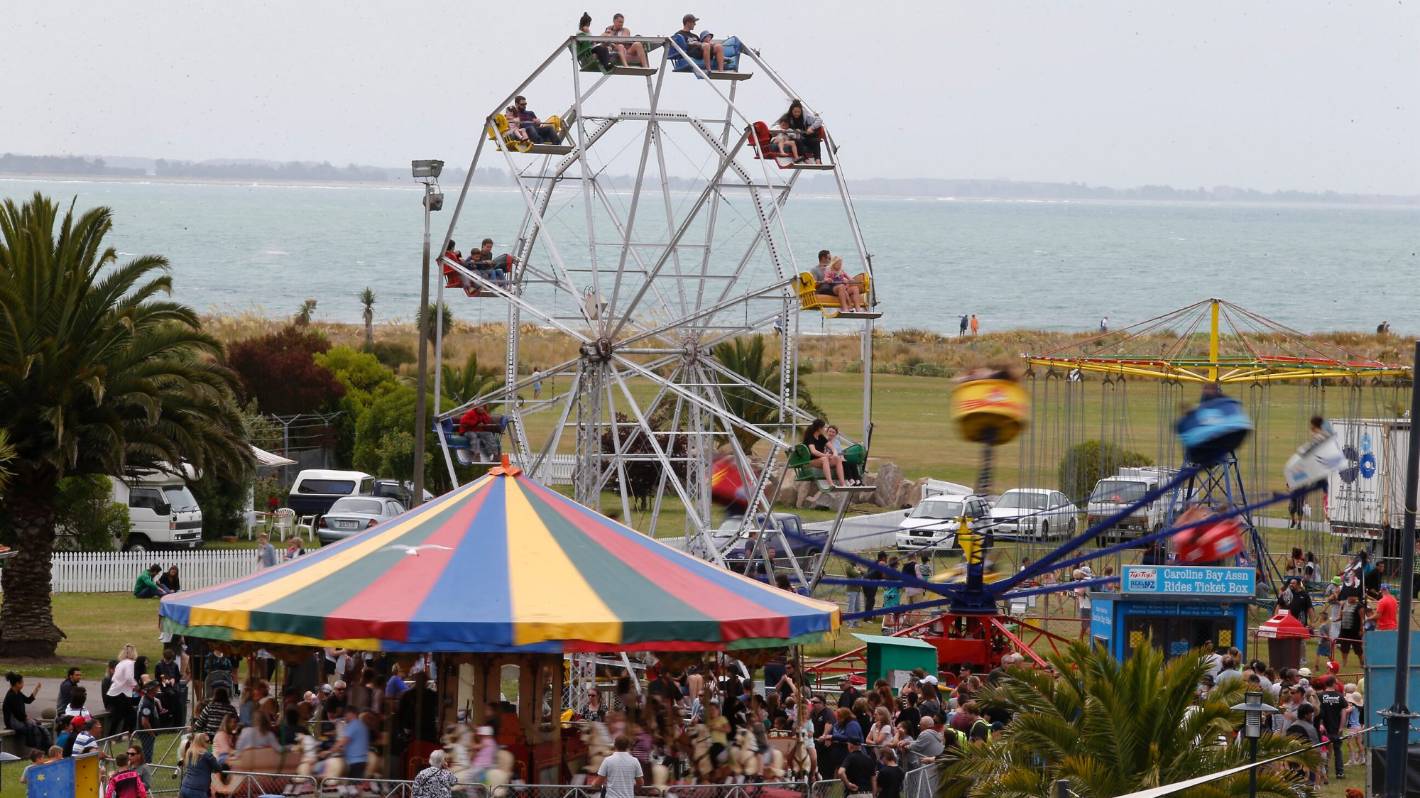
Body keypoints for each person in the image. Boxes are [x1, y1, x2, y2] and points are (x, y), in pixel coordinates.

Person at [4, 672, 51, 751]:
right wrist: (27, 719)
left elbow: (28, 700)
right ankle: (35, 748)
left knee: (39, 726)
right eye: (22, 682)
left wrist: (36, 690)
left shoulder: (18, 693)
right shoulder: (11, 696)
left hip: (20, 719)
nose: (23, 684)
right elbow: (17, 713)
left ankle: (46, 747)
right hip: (13, 722)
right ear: (16, 684)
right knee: (34, 728)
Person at [803, 418, 848, 488]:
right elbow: (813, 451)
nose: (825, 429)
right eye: (823, 427)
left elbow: (832, 447)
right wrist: (825, 455)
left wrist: (835, 454)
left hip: (821, 459)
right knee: (824, 459)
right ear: (819, 428)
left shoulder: (821, 437)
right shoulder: (810, 437)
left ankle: (843, 484)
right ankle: (831, 484)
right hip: (810, 461)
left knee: (838, 459)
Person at [180, 733, 227, 798]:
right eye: (207, 741)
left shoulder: (189, 752)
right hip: (198, 791)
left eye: (210, 740)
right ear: (201, 742)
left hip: (184, 787)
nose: (210, 742)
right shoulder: (207, 755)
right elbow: (218, 768)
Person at [778, 99, 824, 164]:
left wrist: (811, 128)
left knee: (815, 140)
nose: (797, 114)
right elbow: (782, 126)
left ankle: (818, 161)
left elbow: (819, 120)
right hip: (794, 137)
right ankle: (805, 158)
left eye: (798, 112)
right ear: (791, 111)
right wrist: (794, 131)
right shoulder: (787, 117)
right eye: (795, 112)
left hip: (804, 136)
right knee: (798, 141)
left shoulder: (805, 116)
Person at [1318, 678, 1347, 779]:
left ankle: (1324, 771)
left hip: (1323, 729)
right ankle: (1340, 772)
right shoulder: (1340, 696)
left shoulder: (1320, 696)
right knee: (1337, 750)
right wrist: (1341, 727)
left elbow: (1318, 713)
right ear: (1334, 684)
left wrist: (1320, 724)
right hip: (1336, 729)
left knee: (1324, 750)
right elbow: (1343, 714)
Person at [108, 645, 139, 734]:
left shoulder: (120, 663)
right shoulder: (131, 663)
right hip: (122, 693)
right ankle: (126, 734)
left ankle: (118, 735)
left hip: (114, 692)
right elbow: (129, 677)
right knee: (130, 715)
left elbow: (115, 678)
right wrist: (136, 686)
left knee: (119, 716)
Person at [333, 705, 371, 778]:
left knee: (353, 786)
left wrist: (330, 751)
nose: (345, 717)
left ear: (351, 713)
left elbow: (343, 742)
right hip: (362, 760)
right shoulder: (362, 725)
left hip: (355, 761)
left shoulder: (353, 725)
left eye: (346, 714)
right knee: (355, 785)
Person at [837, 733, 875, 798]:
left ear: (850, 745)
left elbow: (840, 772)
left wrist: (848, 784)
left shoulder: (850, 757)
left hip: (854, 794)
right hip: (868, 794)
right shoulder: (869, 759)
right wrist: (874, 795)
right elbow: (873, 779)